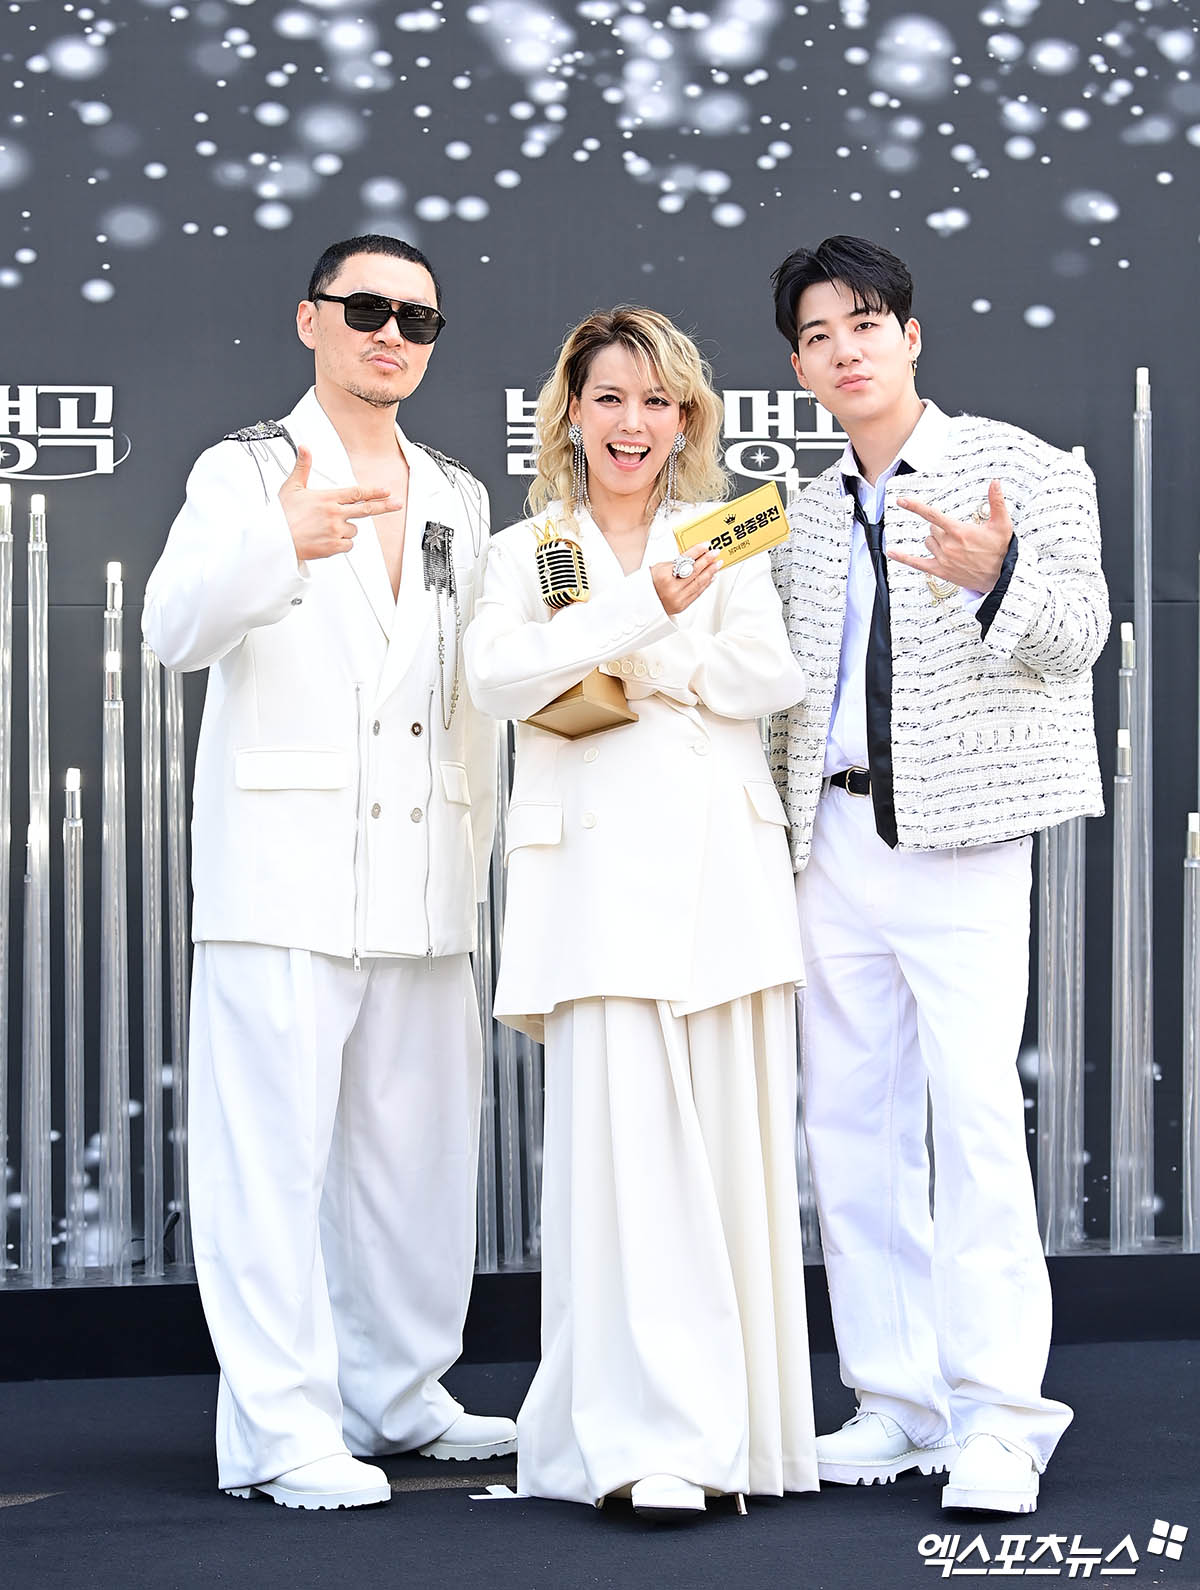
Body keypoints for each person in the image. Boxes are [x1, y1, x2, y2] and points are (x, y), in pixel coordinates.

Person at [143, 234, 514, 1510]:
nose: (391, 335)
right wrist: (278, 542)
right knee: (268, 1171)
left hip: (429, 875)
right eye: (365, 310)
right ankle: (279, 1433)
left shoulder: (460, 493)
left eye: (418, 319)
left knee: (417, 1168)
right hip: (285, 879)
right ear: (311, 320)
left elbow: (475, 683)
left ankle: (399, 1398)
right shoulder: (245, 471)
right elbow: (172, 631)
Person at [768, 235, 1110, 1515]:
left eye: (865, 323)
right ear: (798, 368)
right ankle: (899, 1400)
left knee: (972, 1126)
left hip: (964, 845)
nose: (844, 350)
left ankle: (1003, 1418)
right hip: (829, 846)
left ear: (910, 336)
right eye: (818, 335)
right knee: (850, 1131)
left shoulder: (1024, 468)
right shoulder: (799, 512)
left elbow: (1081, 636)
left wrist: (996, 574)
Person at [464, 306, 817, 1520]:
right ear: (571, 413)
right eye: (610, 397)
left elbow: (769, 675)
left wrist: (655, 657)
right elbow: (498, 676)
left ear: (687, 419)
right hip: (592, 889)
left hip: (721, 873)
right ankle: (633, 1442)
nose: (633, 423)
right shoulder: (532, 548)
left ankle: (733, 1440)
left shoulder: (726, 532)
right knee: (620, 1169)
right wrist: (643, 612)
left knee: (722, 1158)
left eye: (657, 401)